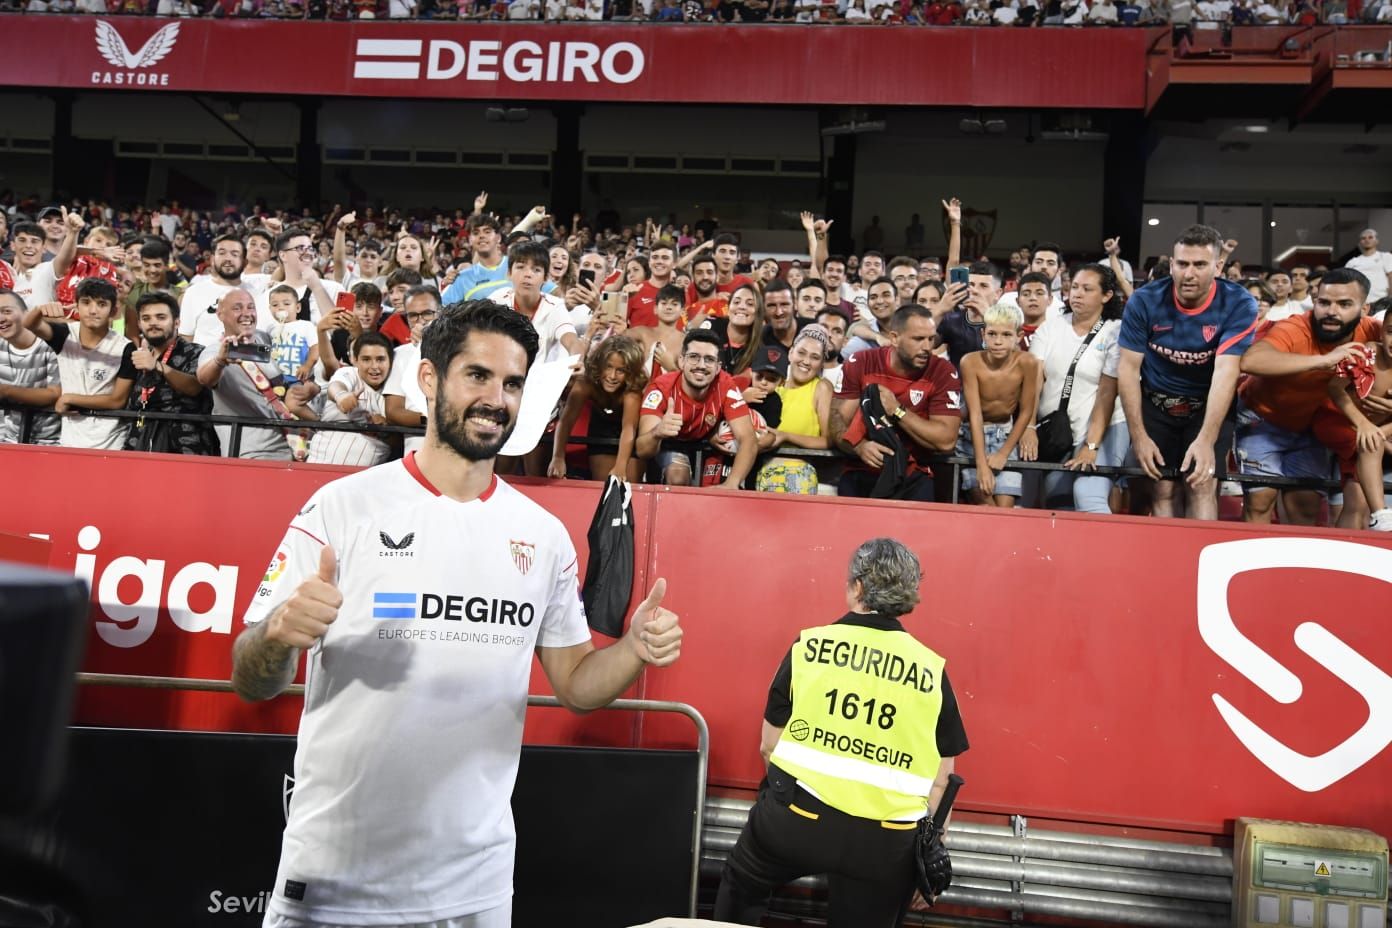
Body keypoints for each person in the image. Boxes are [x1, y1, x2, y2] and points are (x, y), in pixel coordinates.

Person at [231, 300, 684, 928]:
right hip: (337, 882)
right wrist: (278, 635)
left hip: (475, 890)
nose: (496, 398)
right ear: (427, 379)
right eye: (477, 375)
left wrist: (634, 649)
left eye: (513, 383)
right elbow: (252, 678)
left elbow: (578, 687)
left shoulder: (543, 534)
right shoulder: (341, 506)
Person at [712, 537, 969, 928]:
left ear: (858, 588)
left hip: (798, 818)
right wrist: (928, 850)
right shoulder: (931, 671)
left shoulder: (810, 646)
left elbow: (769, 746)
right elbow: (942, 781)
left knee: (741, 883)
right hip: (885, 843)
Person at [1117, 224, 1259, 520]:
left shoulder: (1239, 303)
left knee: (1202, 485)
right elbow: (1128, 370)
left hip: (1207, 404)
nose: (1188, 273)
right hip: (1156, 403)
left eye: (1199, 265)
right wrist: (1139, 436)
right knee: (1163, 490)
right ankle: (1164, 562)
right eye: (1181, 264)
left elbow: (1225, 373)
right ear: (1171, 264)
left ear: (1218, 266)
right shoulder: (1144, 300)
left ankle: (1199, 561)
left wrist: (1207, 440)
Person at [1235, 268, 1379, 528]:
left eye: (1344, 304)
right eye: (1324, 302)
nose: (1331, 311)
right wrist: (1324, 361)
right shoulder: (1296, 326)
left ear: (1364, 309)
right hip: (1262, 418)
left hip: (1309, 426)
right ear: (1315, 301)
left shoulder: (1373, 330)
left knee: (1305, 508)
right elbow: (1251, 360)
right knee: (1260, 502)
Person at [830, 304, 964, 501]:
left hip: (913, 475)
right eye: (918, 339)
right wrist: (858, 446)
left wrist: (897, 410)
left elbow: (946, 440)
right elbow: (836, 419)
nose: (927, 347)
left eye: (931, 338)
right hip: (861, 469)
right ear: (894, 338)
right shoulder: (861, 362)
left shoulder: (943, 372)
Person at [1030, 263, 1129, 514]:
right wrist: (1029, 426)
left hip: (1105, 428)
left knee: (1088, 497)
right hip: (1059, 430)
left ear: (1106, 296)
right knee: (1057, 502)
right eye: (1074, 287)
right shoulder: (1051, 327)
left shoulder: (1115, 332)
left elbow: (1108, 393)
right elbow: (1033, 382)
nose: (1077, 294)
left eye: (1087, 289)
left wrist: (1091, 446)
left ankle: (1109, 554)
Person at [196, 288, 313, 461]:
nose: (246, 314)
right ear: (220, 314)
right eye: (237, 308)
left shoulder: (266, 338)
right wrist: (220, 361)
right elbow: (204, 378)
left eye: (251, 307)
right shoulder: (213, 351)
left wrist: (312, 387)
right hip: (252, 452)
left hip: (295, 442)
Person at [636, 328, 757, 488]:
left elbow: (749, 439)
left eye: (709, 359)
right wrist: (657, 432)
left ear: (718, 367)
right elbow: (642, 450)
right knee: (678, 477)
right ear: (681, 361)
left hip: (705, 444)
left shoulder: (726, 385)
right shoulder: (661, 388)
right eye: (694, 357)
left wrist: (731, 484)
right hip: (669, 443)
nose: (701, 365)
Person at [25, 277, 135, 450]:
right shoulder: (64, 335)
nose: (93, 310)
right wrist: (40, 310)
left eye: (101, 304)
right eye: (86, 302)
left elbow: (117, 400)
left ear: (114, 310)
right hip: (70, 439)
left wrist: (70, 398)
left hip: (112, 442)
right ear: (76, 306)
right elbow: (28, 324)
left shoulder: (126, 348)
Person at [1315, 298, 1392, 530]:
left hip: (1371, 434)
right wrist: (1367, 428)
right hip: (1336, 421)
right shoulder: (1367, 352)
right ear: (1381, 333)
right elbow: (1334, 389)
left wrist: (1380, 432)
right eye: (1391, 332)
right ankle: (1381, 515)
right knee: (1374, 444)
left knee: (1356, 502)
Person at [957, 303, 1039, 508]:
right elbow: (974, 414)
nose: (998, 341)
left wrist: (1004, 452)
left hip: (1007, 434)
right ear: (983, 334)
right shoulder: (970, 362)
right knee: (986, 506)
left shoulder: (1028, 362)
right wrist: (981, 464)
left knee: (1005, 510)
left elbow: (1027, 410)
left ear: (1018, 336)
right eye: (992, 334)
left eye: (1006, 334)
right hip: (972, 435)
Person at [124, 291, 219, 455]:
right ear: (139, 324)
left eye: (161, 317)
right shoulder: (138, 357)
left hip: (184, 448)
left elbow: (195, 387)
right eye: (146, 318)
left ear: (177, 323)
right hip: (140, 442)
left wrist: (159, 366)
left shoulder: (196, 352)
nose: (153, 323)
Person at [548, 334, 646, 482]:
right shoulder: (586, 382)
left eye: (621, 370)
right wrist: (558, 457)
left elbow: (629, 428)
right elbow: (566, 420)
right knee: (602, 487)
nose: (612, 376)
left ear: (630, 372)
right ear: (599, 365)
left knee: (627, 488)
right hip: (602, 427)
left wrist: (620, 466)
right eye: (608, 367)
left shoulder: (632, 389)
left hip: (632, 434)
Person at [758, 324, 835, 495]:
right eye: (801, 353)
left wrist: (786, 436)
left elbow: (829, 441)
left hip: (800, 473)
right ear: (791, 353)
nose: (806, 361)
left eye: (815, 357)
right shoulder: (773, 385)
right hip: (762, 467)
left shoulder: (822, 388)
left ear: (822, 363)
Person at [304, 331, 394, 467]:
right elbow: (336, 386)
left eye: (380, 359)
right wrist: (342, 396)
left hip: (364, 479)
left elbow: (399, 442)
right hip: (320, 468)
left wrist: (384, 432)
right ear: (355, 361)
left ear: (390, 361)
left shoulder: (395, 393)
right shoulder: (349, 373)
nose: (374, 366)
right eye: (366, 359)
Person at [0, 287, 60, 445]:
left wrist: (6, 391)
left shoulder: (51, 345)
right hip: (6, 440)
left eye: (6, 311)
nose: (1, 318)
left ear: (26, 313)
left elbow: (54, 394)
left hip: (48, 442)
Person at [1345, 228, 1392, 305]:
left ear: (1377, 241)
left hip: (1382, 301)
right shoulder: (1352, 262)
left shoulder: (1386, 257)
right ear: (1360, 242)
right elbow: (1346, 281)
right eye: (1363, 238)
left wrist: (1390, 298)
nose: (1367, 240)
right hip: (1360, 302)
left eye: (1370, 237)